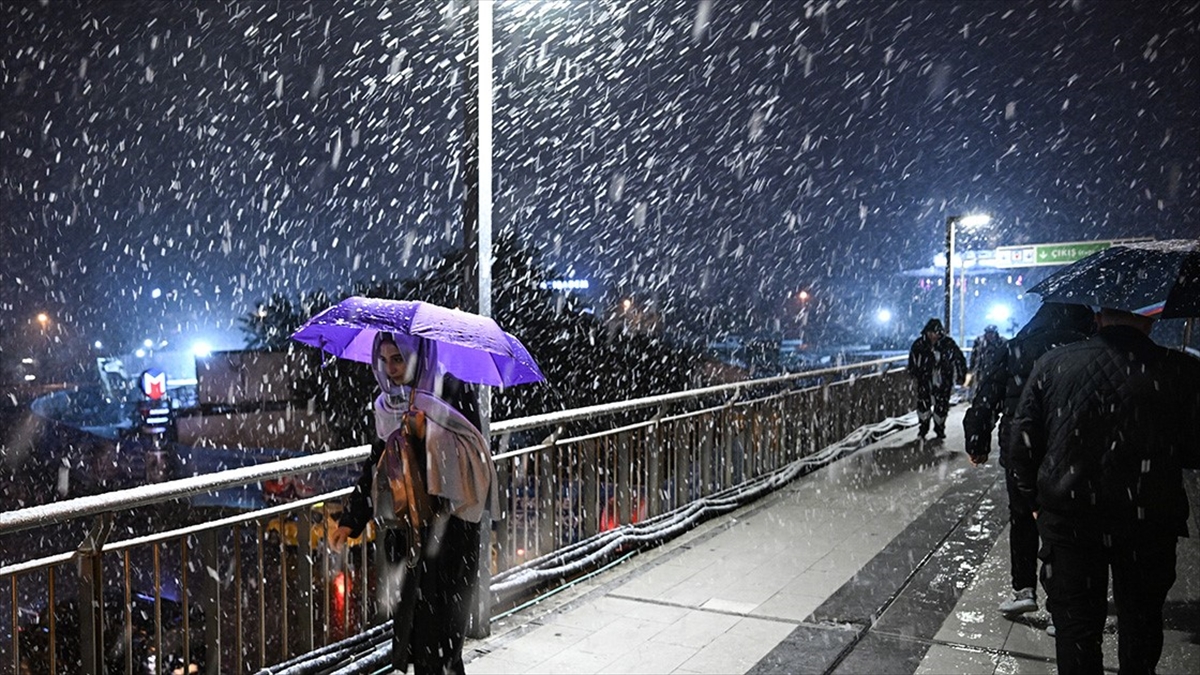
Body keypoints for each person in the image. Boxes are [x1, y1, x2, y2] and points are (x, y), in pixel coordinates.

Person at [1012, 307, 1200, 675]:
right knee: (1142, 621)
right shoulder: (1181, 369)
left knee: (1076, 625)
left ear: (1099, 318)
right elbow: (1195, 449)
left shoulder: (1054, 363)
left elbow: (1023, 442)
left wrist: (1032, 500)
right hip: (1148, 520)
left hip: (1071, 520)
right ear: (1150, 320)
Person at [330, 332, 496, 675]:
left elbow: (473, 457)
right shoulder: (388, 406)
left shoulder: (450, 390)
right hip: (409, 536)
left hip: (452, 534)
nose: (391, 369)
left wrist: (427, 436)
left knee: (444, 638)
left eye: (398, 359)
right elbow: (378, 464)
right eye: (385, 360)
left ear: (418, 356)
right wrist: (350, 521)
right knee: (417, 634)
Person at [962, 303, 1093, 623]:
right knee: (1067, 524)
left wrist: (977, 441)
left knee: (1022, 517)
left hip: (1021, 447)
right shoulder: (1087, 349)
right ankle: (1062, 603)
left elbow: (985, 397)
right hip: (1070, 448)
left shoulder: (1016, 347)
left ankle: (1023, 590)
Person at [906, 318, 967, 439]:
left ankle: (939, 428)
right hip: (925, 379)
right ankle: (923, 428)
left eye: (936, 333)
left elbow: (959, 359)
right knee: (923, 405)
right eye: (931, 333)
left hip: (944, 379)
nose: (933, 336)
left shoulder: (948, 344)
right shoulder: (919, 344)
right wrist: (914, 373)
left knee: (942, 404)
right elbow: (912, 361)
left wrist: (961, 375)